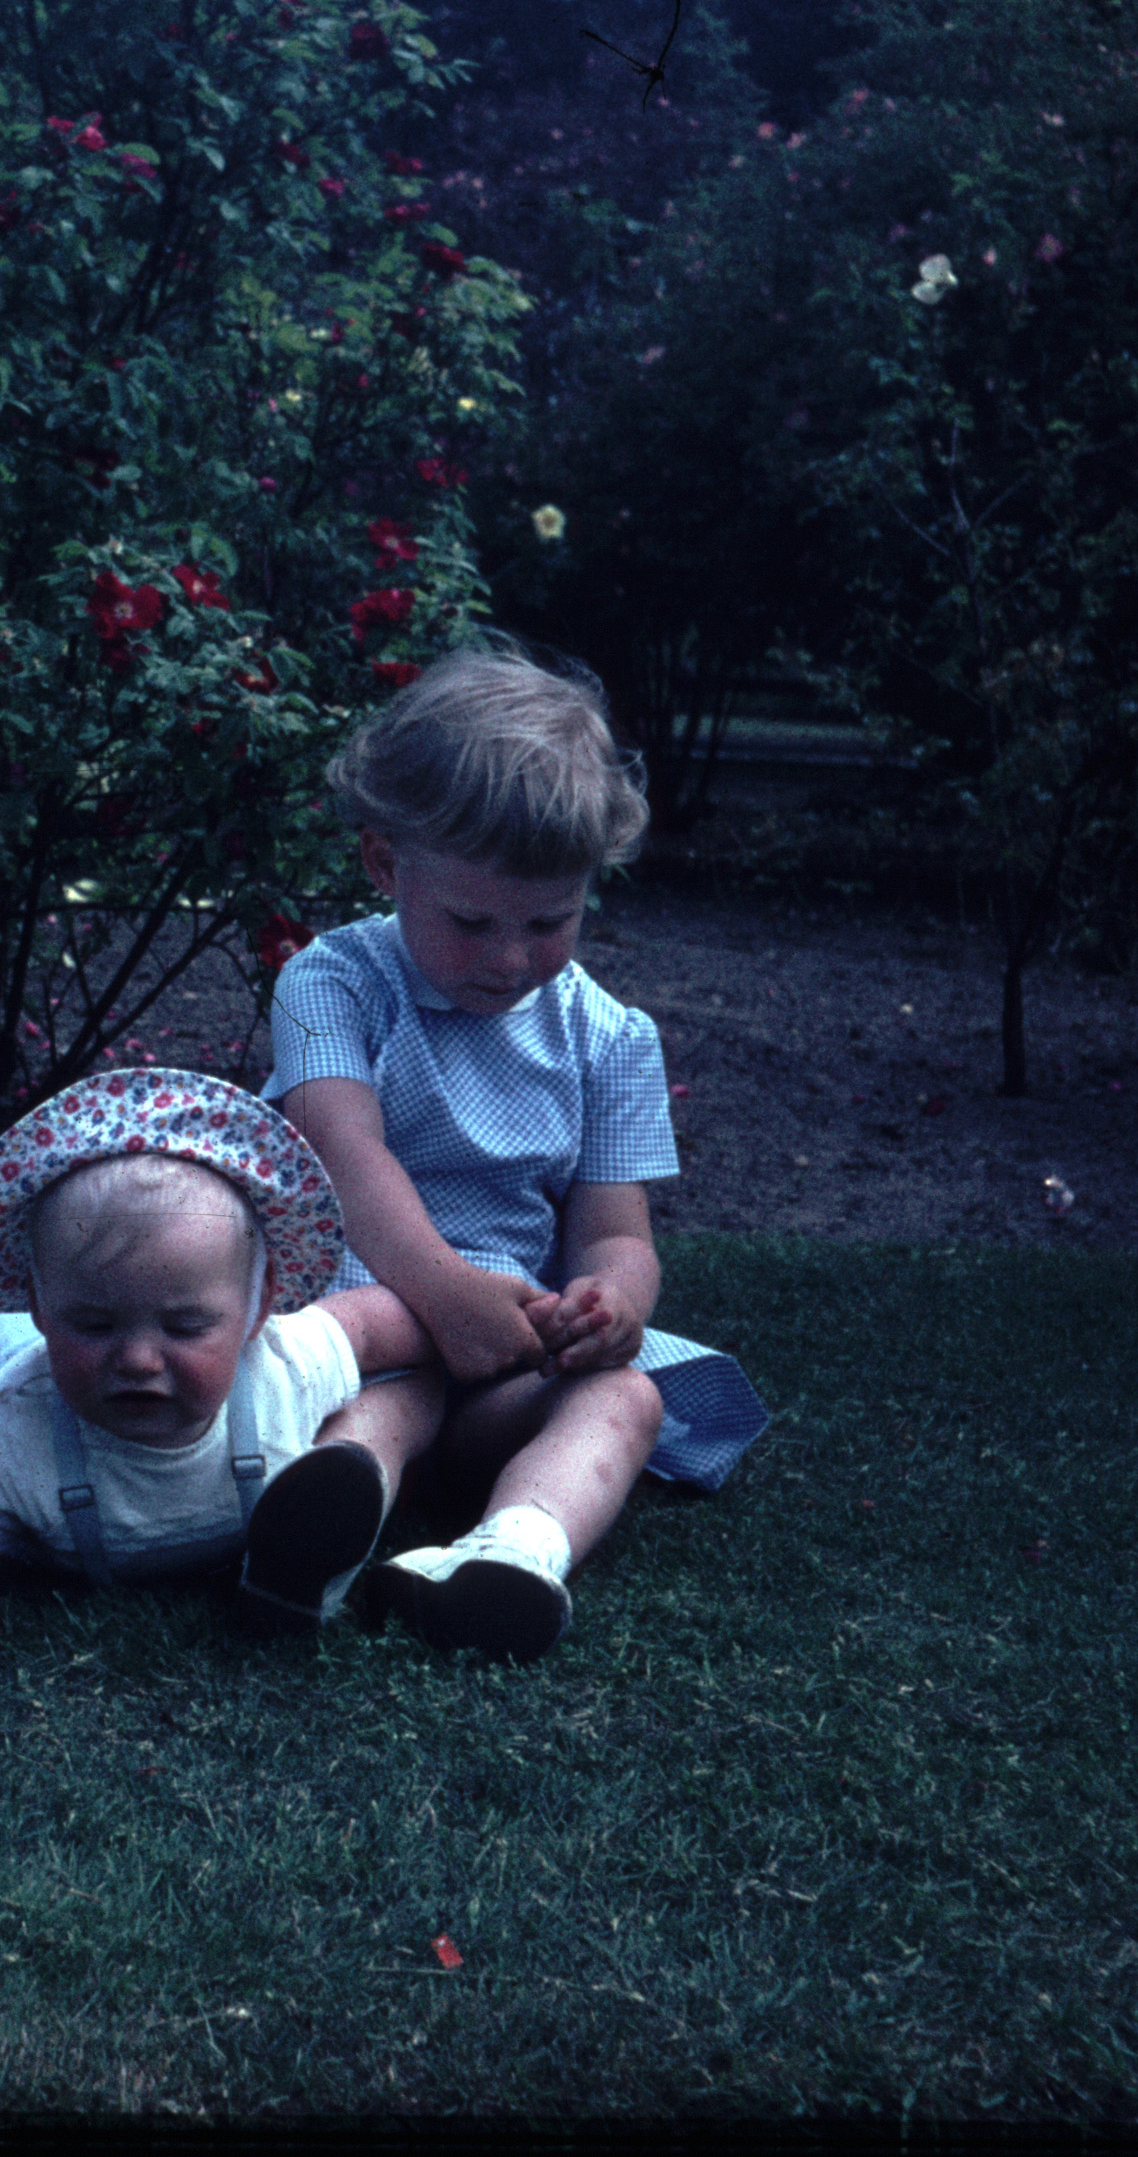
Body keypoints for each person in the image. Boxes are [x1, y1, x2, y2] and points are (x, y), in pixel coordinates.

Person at [266, 643, 770, 1663]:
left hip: (508, 1358)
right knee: (388, 1395)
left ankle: (514, 1551)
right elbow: (345, 1156)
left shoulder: (610, 1038)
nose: (509, 957)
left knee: (628, 1396)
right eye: (471, 921)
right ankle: (319, 1526)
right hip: (367, 1323)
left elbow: (616, 1232)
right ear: (385, 865)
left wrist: (610, 1304)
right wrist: (444, 1296)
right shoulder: (331, 983)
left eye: (550, 921)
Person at [0, 1068, 449, 1652]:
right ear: (38, 1306)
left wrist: (464, 1328)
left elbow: (366, 1326)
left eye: (185, 1327)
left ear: (258, 1309)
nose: (139, 1359)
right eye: (94, 1325)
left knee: (416, 1390)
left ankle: (347, 1471)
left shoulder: (280, 1368)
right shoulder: (15, 1431)